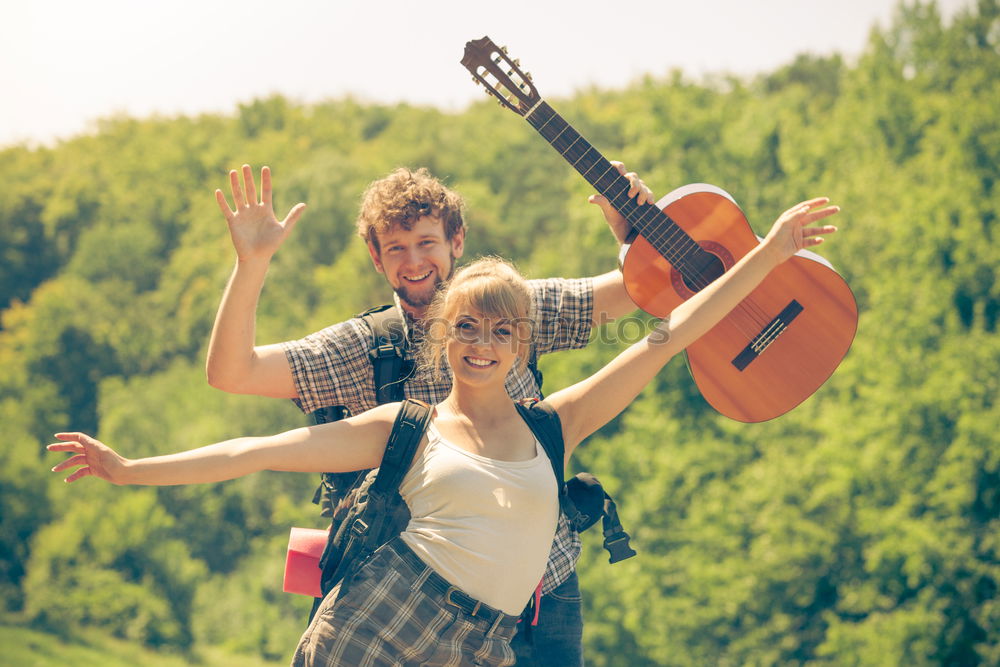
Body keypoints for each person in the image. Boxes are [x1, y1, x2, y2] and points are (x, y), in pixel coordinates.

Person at [48, 195, 840, 666]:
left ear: (523, 341)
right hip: (378, 625)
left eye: (501, 332)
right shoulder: (407, 428)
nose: (483, 344)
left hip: (488, 641)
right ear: (444, 338)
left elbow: (671, 328)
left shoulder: (560, 426)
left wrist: (769, 251)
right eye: (467, 330)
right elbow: (251, 452)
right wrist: (128, 468)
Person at [204, 163, 651, 666]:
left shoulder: (514, 305)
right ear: (376, 256)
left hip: (541, 593)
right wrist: (253, 262)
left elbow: (640, 289)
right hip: (412, 613)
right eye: (396, 248)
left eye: (426, 242)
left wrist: (629, 237)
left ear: (456, 240)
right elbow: (232, 372)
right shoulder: (361, 349)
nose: (414, 261)